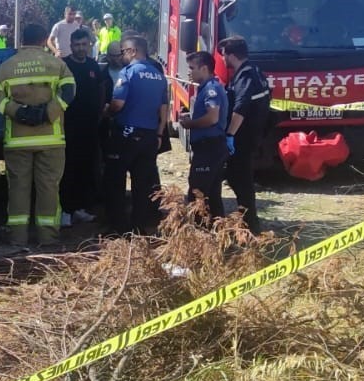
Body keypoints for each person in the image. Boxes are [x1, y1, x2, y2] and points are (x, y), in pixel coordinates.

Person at [0, 23, 76, 245]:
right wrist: (48, 113)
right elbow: (69, 91)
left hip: (17, 141)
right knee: (49, 188)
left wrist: (19, 113)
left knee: (18, 189)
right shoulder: (57, 65)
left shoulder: (5, 68)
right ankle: (48, 238)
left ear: (22, 40)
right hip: (51, 140)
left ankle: (18, 239)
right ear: (44, 39)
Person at [103, 35, 170, 233]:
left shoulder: (128, 73)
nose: (122, 55)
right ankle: (139, 227)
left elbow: (118, 104)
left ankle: (118, 228)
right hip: (150, 136)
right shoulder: (158, 75)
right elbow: (164, 109)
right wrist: (159, 134)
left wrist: (107, 111)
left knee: (115, 181)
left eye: (124, 51)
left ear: (133, 51)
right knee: (142, 184)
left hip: (126, 134)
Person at [58, 27, 111, 225]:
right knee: (67, 168)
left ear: (89, 45)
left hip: (90, 126)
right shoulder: (64, 65)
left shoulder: (93, 66)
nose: (80, 48)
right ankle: (64, 210)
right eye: (77, 45)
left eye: (84, 44)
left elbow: (101, 88)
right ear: (71, 46)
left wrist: (100, 112)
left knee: (85, 167)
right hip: (68, 126)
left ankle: (79, 208)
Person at [219, 35, 271, 232]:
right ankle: (246, 220)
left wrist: (230, 134)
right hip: (253, 134)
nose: (223, 59)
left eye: (224, 55)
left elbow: (241, 106)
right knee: (236, 177)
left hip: (243, 137)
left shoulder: (246, 76)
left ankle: (250, 225)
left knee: (241, 180)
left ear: (232, 55)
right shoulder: (255, 71)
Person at [178, 51, 229, 223]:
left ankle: (198, 234)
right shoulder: (207, 88)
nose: (189, 72)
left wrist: (190, 124)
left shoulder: (211, 89)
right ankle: (217, 234)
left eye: (192, 68)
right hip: (210, 147)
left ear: (204, 68)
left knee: (198, 193)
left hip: (209, 148)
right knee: (213, 195)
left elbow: (212, 118)